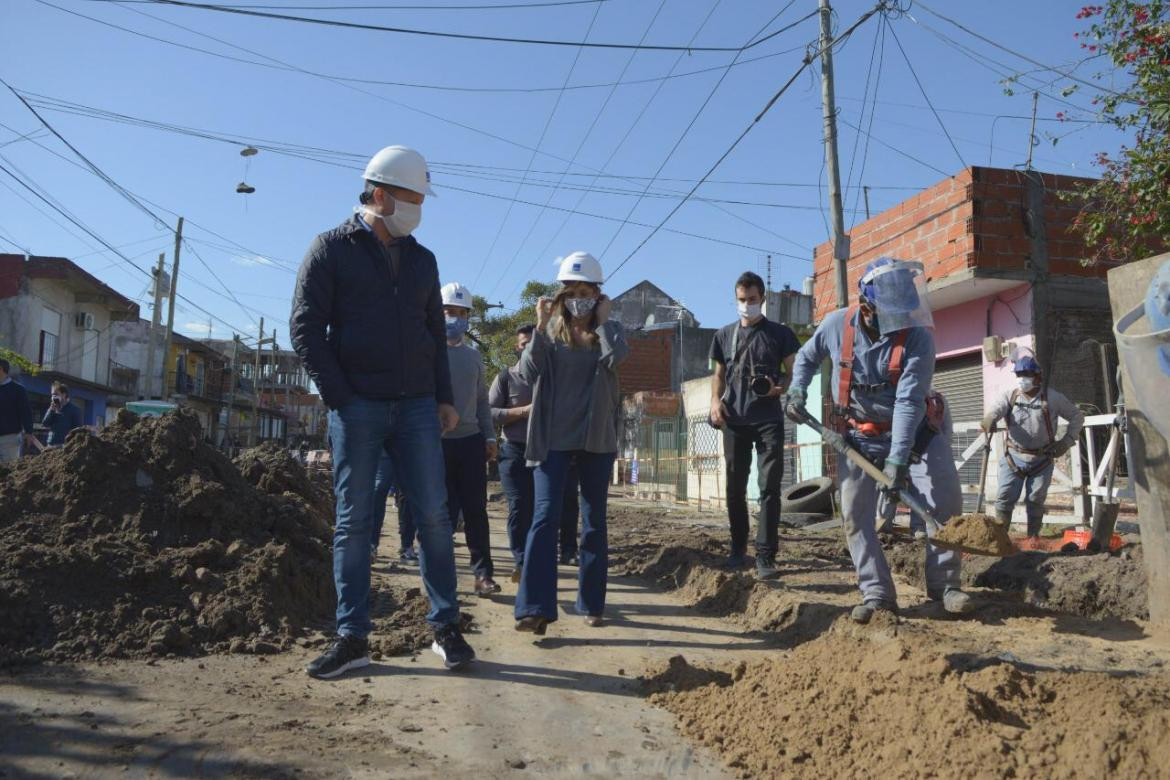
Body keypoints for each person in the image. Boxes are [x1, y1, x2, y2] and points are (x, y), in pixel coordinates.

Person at [291, 144, 475, 678]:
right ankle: (352, 637)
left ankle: (445, 627)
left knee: (435, 519)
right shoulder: (330, 251)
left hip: (417, 405)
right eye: (412, 199)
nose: (419, 209)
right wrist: (341, 396)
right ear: (379, 195)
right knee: (353, 524)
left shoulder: (422, 260)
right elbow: (305, 329)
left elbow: (434, 335)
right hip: (359, 407)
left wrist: (443, 397)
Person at [786, 257, 975, 623]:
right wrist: (796, 389)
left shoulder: (919, 336)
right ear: (868, 306)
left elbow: (908, 401)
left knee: (944, 498)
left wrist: (899, 461)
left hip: (919, 432)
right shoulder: (837, 325)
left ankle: (945, 586)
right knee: (855, 515)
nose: (903, 318)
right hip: (859, 435)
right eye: (894, 311)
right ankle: (877, 594)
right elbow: (806, 358)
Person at [514, 252, 629, 634]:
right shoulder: (548, 334)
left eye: (586, 291)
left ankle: (592, 602)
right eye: (571, 291)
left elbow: (617, 360)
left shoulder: (609, 333)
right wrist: (540, 323)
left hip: (596, 441)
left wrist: (605, 322)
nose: (578, 297)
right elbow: (529, 372)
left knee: (593, 522)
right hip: (552, 442)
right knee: (544, 518)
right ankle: (534, 608)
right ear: (561, 296)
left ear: (598, 295)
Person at [708, 271, 801, 580]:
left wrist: (782, 387)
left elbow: (794, 370)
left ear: (763, 298)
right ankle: (737, 549)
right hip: (734, 419)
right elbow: (718, 374)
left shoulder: (780, 333)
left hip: (768, 420)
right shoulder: (723, 335)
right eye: (741, 300)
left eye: (751, 299)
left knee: (770, 487)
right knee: (734, 488)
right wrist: (714, 402)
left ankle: (765, 555)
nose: (746, 305)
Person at [440, 281, 500, 596]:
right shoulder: (427, 351)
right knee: (442, 512)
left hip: (470, 442)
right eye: (449, 311)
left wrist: (489, 436)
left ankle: (483, 575)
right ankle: (440, 576)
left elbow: (481, 401)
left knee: (476, 511)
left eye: (461, 313)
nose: (455, 318)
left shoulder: (474, 356)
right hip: (436, 444)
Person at [982, 356, 1084, 538]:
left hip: (1042, 460)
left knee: (1035, 500)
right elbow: (997, 408)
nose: (1022, 378)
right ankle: (1000, 539)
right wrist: (990, 418)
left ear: (1038, 376)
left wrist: (1067, 441)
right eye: (1019, 374)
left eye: (1026, 374)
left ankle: (1033, 538)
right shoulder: (1010, 396)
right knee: (1004, 498)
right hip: (1013, 458)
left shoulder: (1053, 398)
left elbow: (1077, 416)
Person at [489, 324, 535, 583]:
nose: (527, 347)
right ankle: (521, 560)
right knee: (519, 505)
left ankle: (536, 558)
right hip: (513, 451)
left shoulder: (551, 377)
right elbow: (489, 413)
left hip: (546, 453)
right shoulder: (506, 377)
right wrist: (521, 412)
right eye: (523, 343)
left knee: (540, 509)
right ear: (517, 348)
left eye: (532, 342)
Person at [371, 450, 417, 563]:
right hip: (384, 447)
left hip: (408, 445)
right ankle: (371, 545)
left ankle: (407, 546)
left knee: (408, 494)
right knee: (378, 490)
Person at [0, 359, 35, 462]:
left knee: (7, 472)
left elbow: (26, 412)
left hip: (10, 439)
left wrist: (29, 432)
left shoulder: (18, 390)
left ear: (1, 369)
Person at [42, 382, 83, 447]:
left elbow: (78, 431)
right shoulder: (53, 408)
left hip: (64, 446)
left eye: (56, 394)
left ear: (64, 395)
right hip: (50, 445)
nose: (53, 397)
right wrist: (51, 410)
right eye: (52, 395)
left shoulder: (74, 410)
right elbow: (45, 423)